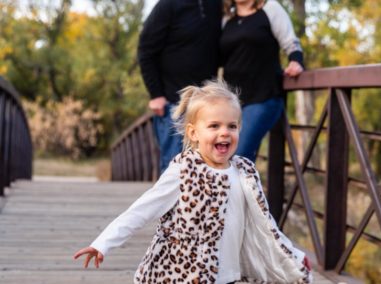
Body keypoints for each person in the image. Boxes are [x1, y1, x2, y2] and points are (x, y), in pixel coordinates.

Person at [74, 80, 312, 283]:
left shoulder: (245, 172)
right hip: (184, 275)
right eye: (214, 126)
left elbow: (265, 224)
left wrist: (293, 256)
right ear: (193, 133)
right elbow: (141, 210)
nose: (224, 133)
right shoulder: (184, 170)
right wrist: (102, 243)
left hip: (228, 275)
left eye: (232, 126)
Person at [138, 0, 222, 173]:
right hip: (173, 103)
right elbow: (145, 50)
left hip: (206, 105)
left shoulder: (215, 5)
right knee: (173, 169)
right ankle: (169, 202)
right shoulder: (167, 5)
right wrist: (156, 95)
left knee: (203, 170)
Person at [220, 0, 304, 162]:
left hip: (264, 96)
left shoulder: (270, 8)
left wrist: (296, 61)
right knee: (227, 158)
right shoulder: (226, 19)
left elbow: (290, 41)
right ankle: (246, 187)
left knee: (236, 155)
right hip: (230, 102)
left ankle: (238, 187)